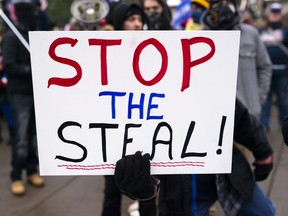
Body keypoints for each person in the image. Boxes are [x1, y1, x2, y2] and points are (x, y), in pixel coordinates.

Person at [114, 99, 276, 216]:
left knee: (263, 212)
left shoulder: (203, 79)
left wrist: (263, 151)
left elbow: (235, 114)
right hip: (178, 186)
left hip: (225, 172)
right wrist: (135, 181)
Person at [102, 3, 156, 216]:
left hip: (144, 127)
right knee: (112, 188)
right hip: (112, 131)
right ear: (119, 22)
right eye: (131, 19)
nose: (137, 24)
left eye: (139, 20)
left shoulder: (151, 50)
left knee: (147, 186)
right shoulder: (105, 52)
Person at [201, 0, 272, 121]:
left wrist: (258, 98)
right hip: (212, 117)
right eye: (218, 3)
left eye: (227, 2)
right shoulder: (199, 39)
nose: (224, 7)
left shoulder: (251, 34)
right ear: (210, 8)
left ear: (235, 6)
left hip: (249, 114)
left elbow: (264, 66)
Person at [2, 0, 44, 196]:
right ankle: (16, 175)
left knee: (34, 136)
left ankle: (32, 170)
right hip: (20, 94)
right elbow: (9, 65)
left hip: (36, 93)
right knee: (20, 137)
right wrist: (30, 69)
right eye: (32, 12)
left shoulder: (34, 36)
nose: (35, 15)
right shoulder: (12, 37)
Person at [258, 2, 288, 131]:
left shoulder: (286, 30)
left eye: (277, 13)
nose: (274, 15)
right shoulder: (260, 30)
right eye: (272, 12)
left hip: (282, 70)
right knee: (265, 100)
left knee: (283, 100)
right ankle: (263, 126)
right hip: (266, 71)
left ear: (281, 14)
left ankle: (285, 127)